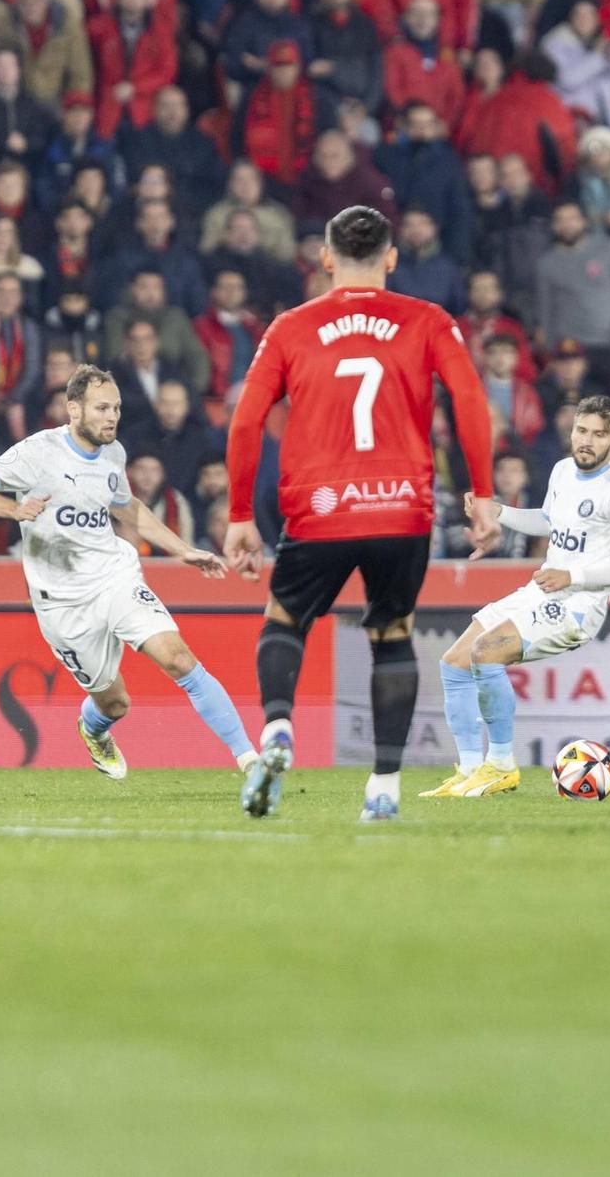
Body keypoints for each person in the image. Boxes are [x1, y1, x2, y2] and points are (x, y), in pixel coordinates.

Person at [224, 206, 500, 823]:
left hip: (321, 506)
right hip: (401, 508)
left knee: (285, 618)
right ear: (392, 258)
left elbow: (245, 419)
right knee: (392, 633)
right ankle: (383, 787)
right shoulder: (428, 320)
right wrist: (481, 494)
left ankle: (275, 731)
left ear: (325, 258)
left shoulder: (291, 328)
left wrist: (241, 512)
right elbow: (470, 399)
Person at [0, 367, 256, 786]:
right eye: (101, 408)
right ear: (73, 409)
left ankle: (250, 760)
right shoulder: (38, 452)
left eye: (115, 407)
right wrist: (13, 509)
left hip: (114, 575)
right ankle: (93, 729)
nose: (111, 416)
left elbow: (126, 507)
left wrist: (183, 549)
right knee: (115, 703)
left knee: (178, 658)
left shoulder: (114, 454)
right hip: (61, 601)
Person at [427, 395, 610, 799]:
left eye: (599, 435)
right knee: (454, 663)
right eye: (582, 430)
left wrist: (572, 574)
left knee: (485, 652)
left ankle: (502, 765)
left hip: (578, 606)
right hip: (542, 590)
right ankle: (472, 769)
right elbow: (548, 520)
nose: (587, 441)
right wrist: (500, 512)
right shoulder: (563, 470)